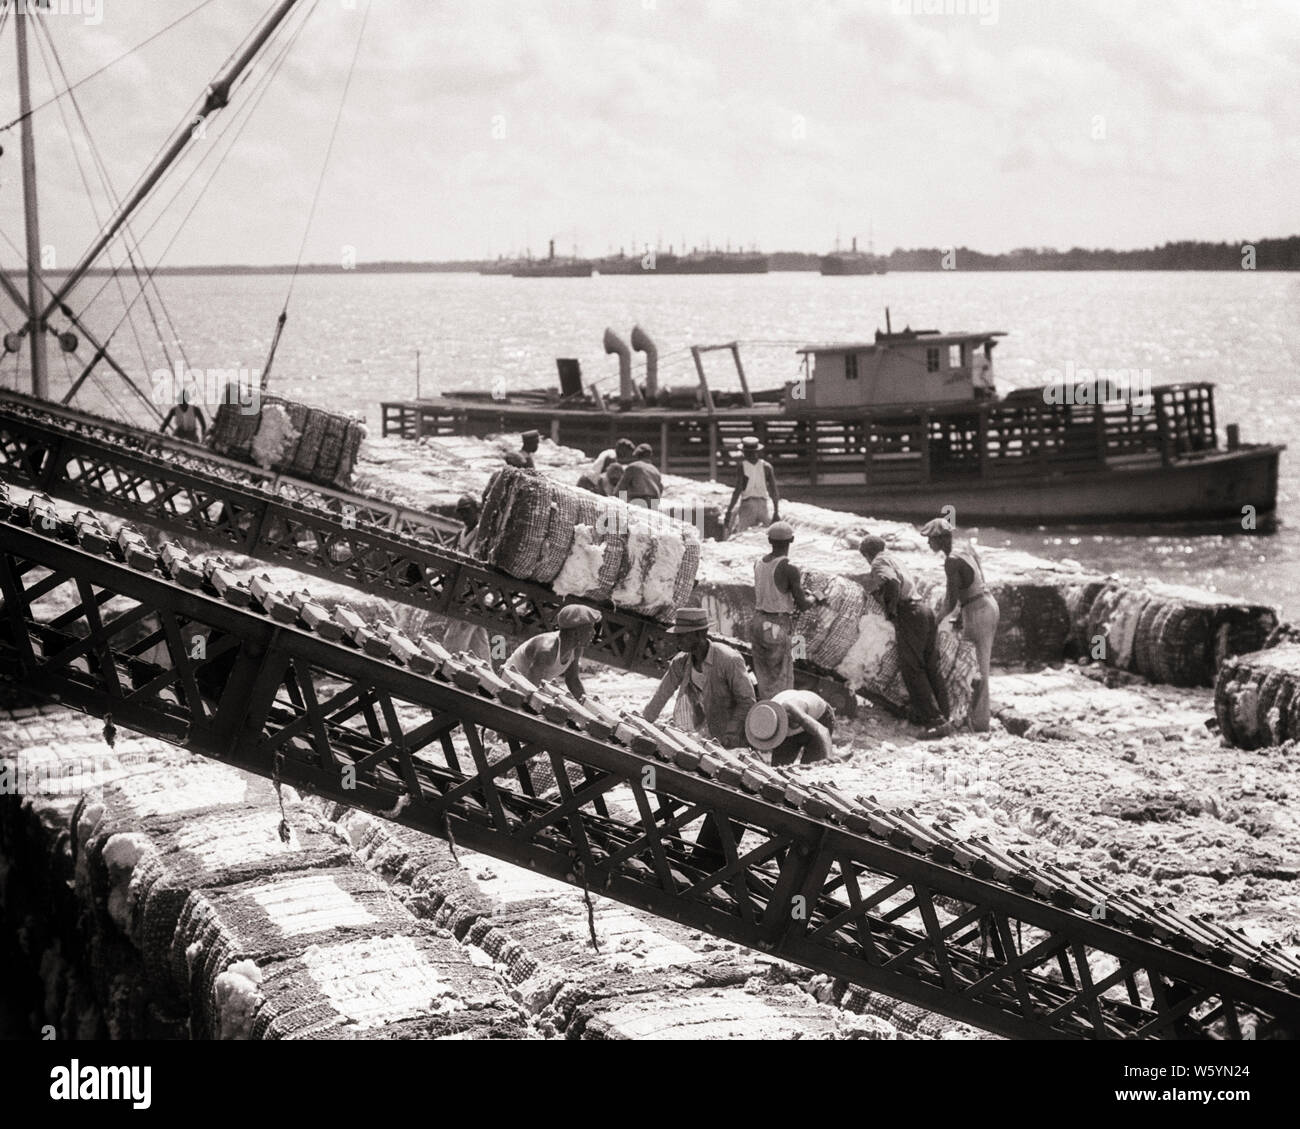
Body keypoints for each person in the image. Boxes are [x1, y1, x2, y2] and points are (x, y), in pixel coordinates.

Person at [643, 606, 757, 868]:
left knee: (734, 796)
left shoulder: (729, 659)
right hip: (708, 737)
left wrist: (731, 733)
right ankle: (703, 857)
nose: (678, 640)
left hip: (736, 741)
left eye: (683, 636)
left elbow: (747, 700)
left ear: (700, 634)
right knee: (710, 792)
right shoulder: (681, 663)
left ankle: (715, 860)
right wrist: (643, 723)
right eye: (678, 635)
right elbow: (661, 696)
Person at [859, 534, 951, 738]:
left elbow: (891, 582)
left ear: (866, 554)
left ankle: (934, 720)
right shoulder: (893, 558)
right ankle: (945, 715)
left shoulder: (878, 562)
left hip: (910, 614)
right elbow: (894, 582)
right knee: (931, 667)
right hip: (924, 611)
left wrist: (890, 611)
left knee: (912, 669)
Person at [921, 517, 1000, 733]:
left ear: (940, 539)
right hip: (982, 604)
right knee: (972, 664)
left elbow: (950, 600)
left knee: (978, 667)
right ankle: (974, 716)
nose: (929, 544)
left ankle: (981, 723)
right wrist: (960, 616)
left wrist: (934, 622)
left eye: (930, 540)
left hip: (978, 610)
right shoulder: (964, 548)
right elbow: (976, 580)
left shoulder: (951, 561)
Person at [750, 521, 814, 699]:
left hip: (757, 621)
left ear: (769, 540)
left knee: (764, 676)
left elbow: (774, 588)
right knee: (781, 678)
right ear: (792, 540)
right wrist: (814, 597)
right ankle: (779, 715)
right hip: (776, 625)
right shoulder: (789, 568)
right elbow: (802, 604)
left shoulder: (758, 563)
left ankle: (764, 711)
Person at [503, 603, 601, 700]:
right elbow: (531, 688)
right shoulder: (547, 650)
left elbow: (572, 680)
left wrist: (586, 703)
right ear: (575, 633)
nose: (594, 633)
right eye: (590, 628)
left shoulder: (576, 649)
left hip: (530, 688)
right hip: (509, 685)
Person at [443, 495, 494, 663]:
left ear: (477, 510)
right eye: (460, 512)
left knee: (459, 632)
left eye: (467, 511)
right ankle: (485, 667)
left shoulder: (482, 534)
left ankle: (450, 664)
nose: (463, 515)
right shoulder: (461, 533)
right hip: (463, 588)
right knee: (478, 636)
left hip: (474, 592)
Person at [745, 690, 837, 766]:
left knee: (811, 767)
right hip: (792, 723)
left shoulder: (793, 710)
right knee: (779, 767)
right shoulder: (765, 720)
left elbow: (822, 731)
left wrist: (829, 757)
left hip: (820, 719)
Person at [725, 436, 780, 534]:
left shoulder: (742, 466)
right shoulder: (767, 467)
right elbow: (774, 491)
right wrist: (776, 511)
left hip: (748, 503)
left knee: (741, 533)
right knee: (765, 534)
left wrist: (729, 509)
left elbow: (738, 489)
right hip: (763, 505)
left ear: (744, 452)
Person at [618, 443, 662, 507]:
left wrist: (622, 505)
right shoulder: (656, 470)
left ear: (637, 455)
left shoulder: (633, 467)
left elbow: (621, 487)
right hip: (653, 504)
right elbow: (660, 489)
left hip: (638, 502)